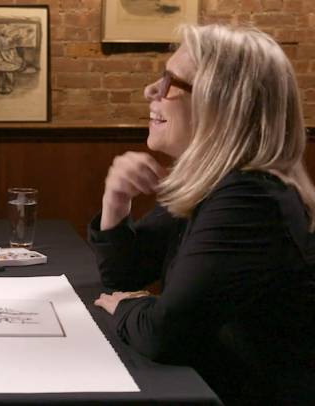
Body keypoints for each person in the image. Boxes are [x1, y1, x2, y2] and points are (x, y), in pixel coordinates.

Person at [87, 24, 315, 405]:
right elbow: (124, 275)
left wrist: (128, 305)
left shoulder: (249, 199)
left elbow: (163, 335)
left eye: (170, 82)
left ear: (220, 104)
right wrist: (116, 202)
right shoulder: (217, 182)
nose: (151, 92)